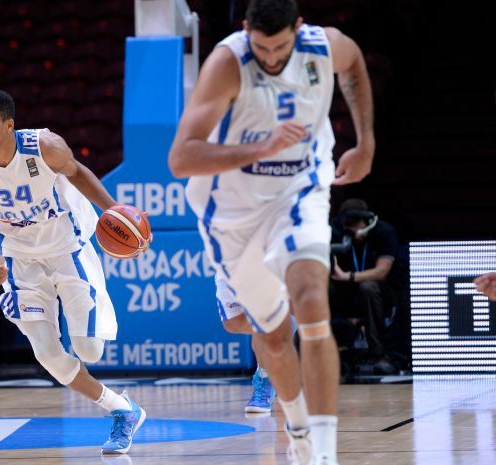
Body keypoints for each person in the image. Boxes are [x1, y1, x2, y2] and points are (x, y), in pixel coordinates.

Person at [168, 0, 375, 463]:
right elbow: (181, 158)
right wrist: (259, 148)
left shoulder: (324, 45)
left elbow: (354, 65)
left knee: (312, 300)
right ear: (246, 32)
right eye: (262, 49)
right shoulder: (227, 63)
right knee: (275, 336)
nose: (272, 58)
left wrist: (365, 143)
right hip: (233, 213)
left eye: (281, 48)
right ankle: (297, 425)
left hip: (299, 191)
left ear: (298, 29)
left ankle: (324, 451)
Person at [0, 89, 146, 455]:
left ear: (9, 125)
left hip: (67, 250)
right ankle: (123, 409)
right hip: (19, 261)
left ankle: (94, 346)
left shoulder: (45, 146)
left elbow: (79, 173)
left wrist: (115, 211)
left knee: (89, 350)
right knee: (49, 355)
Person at [329, 199, 398, 374]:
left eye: (356, 224)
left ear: (366, 221)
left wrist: (348, 276)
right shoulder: (335, 232)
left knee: (367, 287)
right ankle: (327, 352)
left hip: (379, 292)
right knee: (322, 289)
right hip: (345, 292)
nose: (353, 230)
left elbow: (382, 272)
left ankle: (379, 355)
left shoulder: (383, 232)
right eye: (348, 226)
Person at [215, 272, 298, 414]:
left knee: (260, 316)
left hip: (261, 266)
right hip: (229, 267)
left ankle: (265, 379)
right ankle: (282, 324)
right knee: (232, 324)